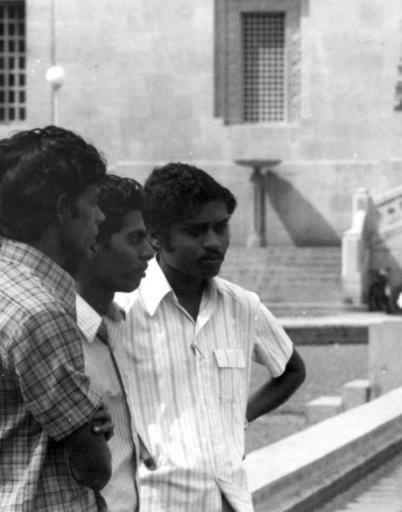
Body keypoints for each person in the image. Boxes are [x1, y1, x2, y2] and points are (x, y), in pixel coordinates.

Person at [116, 163, 307, 511]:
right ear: (157, 237)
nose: (213, 243)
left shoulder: (242, 305)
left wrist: (237, 421)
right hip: (157, 501)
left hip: (230, 499)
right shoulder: (123, 309)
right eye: (195, 231)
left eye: (221, 227)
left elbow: (292, 370)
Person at [0, 126, 113, 511]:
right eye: (94, 202)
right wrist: (92, 417)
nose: (101, 217)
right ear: (64, 209)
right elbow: (95, 468)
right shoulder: (40, 312)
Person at [74, 175, 156, 511]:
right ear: (94, 242)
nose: (149, 252)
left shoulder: (119, 324)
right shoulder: (59, 337)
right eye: (135, 238)